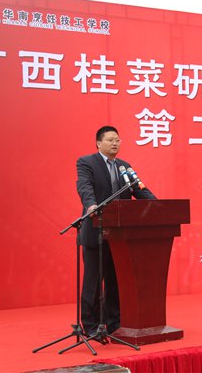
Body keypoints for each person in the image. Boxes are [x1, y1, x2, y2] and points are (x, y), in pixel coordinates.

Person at [76, 125, 156, 339]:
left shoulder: (124, 167)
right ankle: (91, 326)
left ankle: (113, 323)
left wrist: (158, 205)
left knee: (115, 281)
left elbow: (139, 189)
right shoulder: (86, 162)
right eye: (110, 140)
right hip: (96, 231)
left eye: (117, 140)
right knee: (93, 282)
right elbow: (85, 187)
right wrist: (91, 205)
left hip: (120, 235)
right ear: (98, 143)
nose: (115, 143)